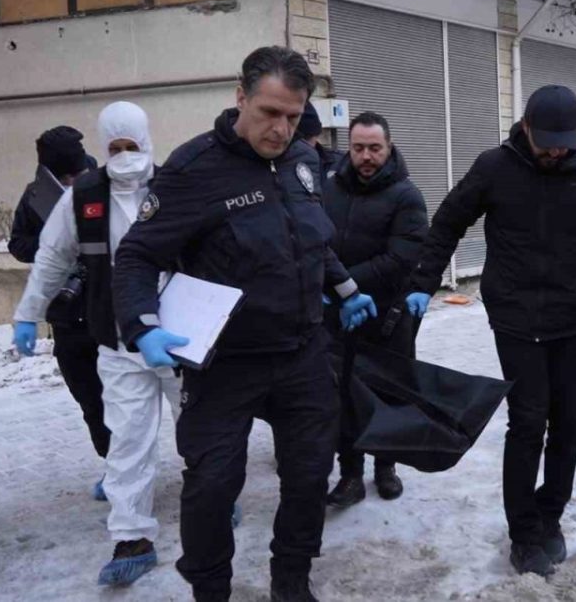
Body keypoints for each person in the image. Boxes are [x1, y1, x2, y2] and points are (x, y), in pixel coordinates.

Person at [111, 46, 377, 602]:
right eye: (269, 112)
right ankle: (210, 590)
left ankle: (292, 582)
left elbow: (309, 237)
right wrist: (143, 325)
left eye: (293, 115)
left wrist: (347, 289)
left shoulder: (305, 164)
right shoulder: (193, 170)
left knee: (308, 476)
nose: (281, 128)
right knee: (212, 485)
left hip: (301, 351)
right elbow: (137, 255)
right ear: (241, 98)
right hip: (226, 362)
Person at [404, 85, 576, 577]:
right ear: (525, 128)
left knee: (569, 423)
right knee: (528, 424)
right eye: (546, 142)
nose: (554, 152)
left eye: (562, 144)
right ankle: (523, 534)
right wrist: (423, 283)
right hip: (516, 319)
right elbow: (447, 223)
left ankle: (550, 515)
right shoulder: (494, 168)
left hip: (573, 318)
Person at [12, 103, 182, 587]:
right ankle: (132, 537)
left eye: (133, 146)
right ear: (102, 148)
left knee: (199, 427)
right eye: (115, 148)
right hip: (117, 340)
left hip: (179, 338)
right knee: (127, 441)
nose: (125, 155)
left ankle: (213, 497)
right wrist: (28, 312)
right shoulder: (83, 195)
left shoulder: (176, 187)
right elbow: (50, 257)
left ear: (148, 141)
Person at [322, 111, 428, 508]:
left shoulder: (406, 195)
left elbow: (401, 259)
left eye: (374, 148)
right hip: (339, 316)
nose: (366, 156)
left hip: (387, 317)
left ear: (389, 147)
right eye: (358, 148)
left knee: (388, 393)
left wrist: (341, 282)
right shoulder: (329, 188)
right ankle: (350, 474)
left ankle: (387, 467)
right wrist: (334, 291)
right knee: (343, 395)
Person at [8, 126, 112, 480]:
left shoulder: (104, 185)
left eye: (78, 173)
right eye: (66, 176)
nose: (74, 180)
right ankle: (113, 465)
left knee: (128, 400)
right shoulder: (36, 197)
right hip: (67, 315)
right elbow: (18, 244)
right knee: (90, 401)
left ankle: (131, 470)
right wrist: (55, 245)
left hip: (108, 310)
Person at [296, 100, 343, 180]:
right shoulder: (281, 166)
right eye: (300, 140)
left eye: (308, 138)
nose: (305, 147)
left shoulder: (340, 163)